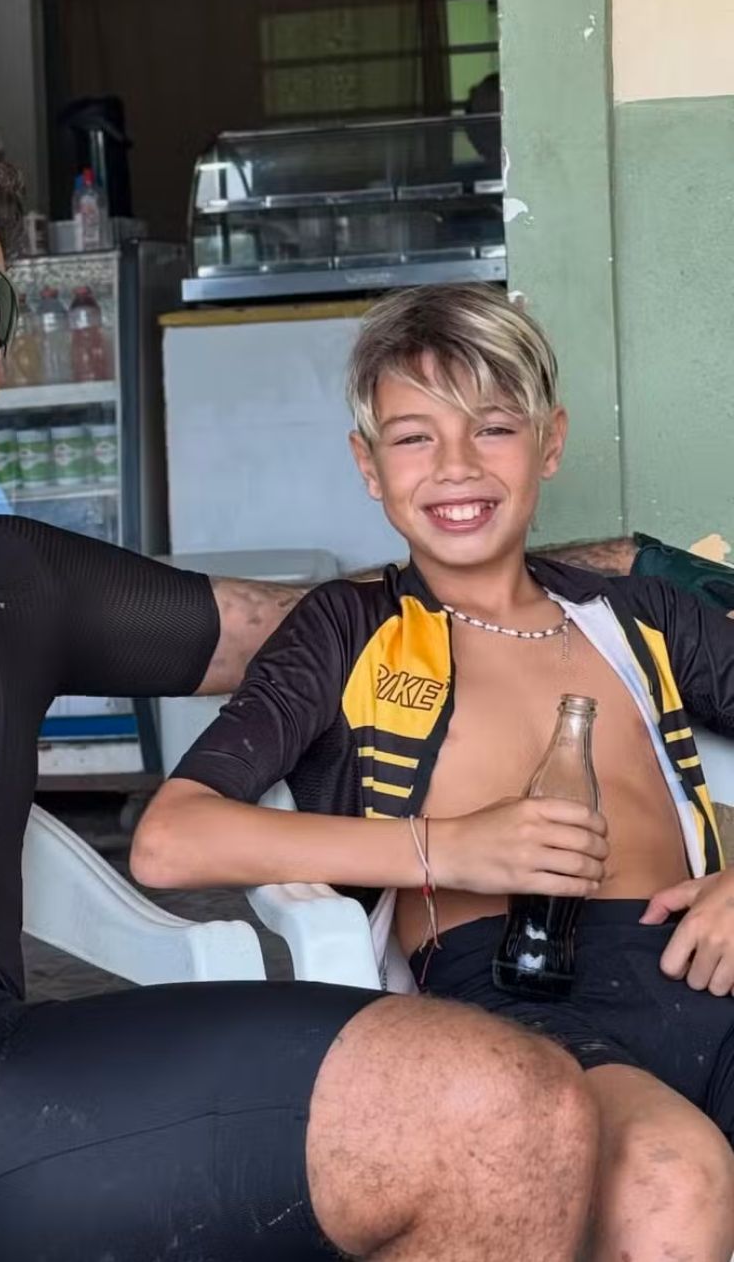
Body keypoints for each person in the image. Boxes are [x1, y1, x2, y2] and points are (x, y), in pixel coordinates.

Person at [0, 118, 597, 1260]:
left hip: (2, 1087)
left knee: (503, 1110)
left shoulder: (15, 570)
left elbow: (328, 625)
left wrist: (627, 580)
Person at [134, 283, 734, 1261]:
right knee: (669, 1176)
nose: (457, 465)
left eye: (493, 428)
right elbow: (171, 840)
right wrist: (446, 848)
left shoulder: (640, 618)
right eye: (415, 437)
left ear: (550, 442)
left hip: (702, 962)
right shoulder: (351, 628)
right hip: (515, 1003)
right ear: (368, 466)